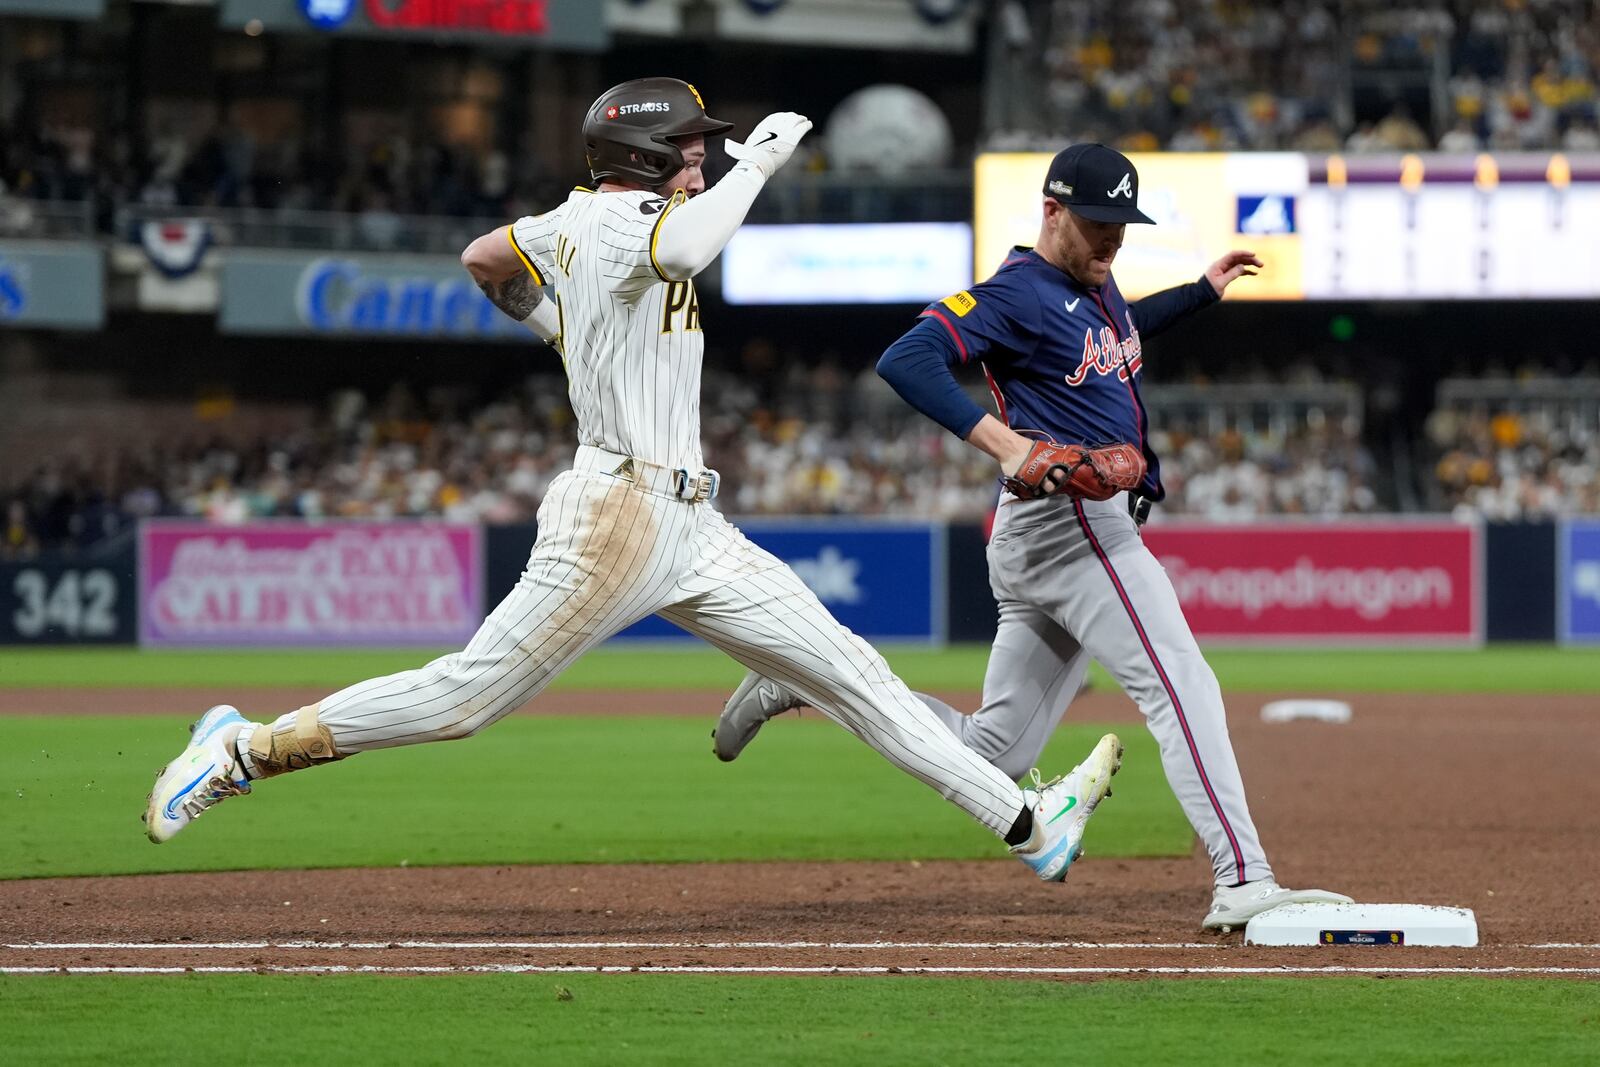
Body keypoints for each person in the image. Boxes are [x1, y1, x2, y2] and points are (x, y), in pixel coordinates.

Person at [143, 80, 1122, 887]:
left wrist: (549, 318)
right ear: (648, 159)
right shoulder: (624, 218)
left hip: (690, 519)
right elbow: (687, 244)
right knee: (464, 699)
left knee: (855, 676)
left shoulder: (582, 222)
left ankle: (1030, 823)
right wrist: (759, 164)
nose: (703, 156)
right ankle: (242, 748)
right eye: (691, 147)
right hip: (618, 514)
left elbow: (483, 255)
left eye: (708, 148)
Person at [713, 143, 1350, 930]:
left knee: (993, 756)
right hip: (1074, 526)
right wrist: (1008, 445)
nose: (1112, 239)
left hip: (1049, 535)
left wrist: (1200, 292)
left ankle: (809, 679)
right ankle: (1244, 878)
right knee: (1182, 685)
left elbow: (1122, 335)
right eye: (1096, 222)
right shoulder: (1017, 293)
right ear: (1052, 212)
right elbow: (905, 358)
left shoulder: (1098, 281)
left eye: (1122, 223)